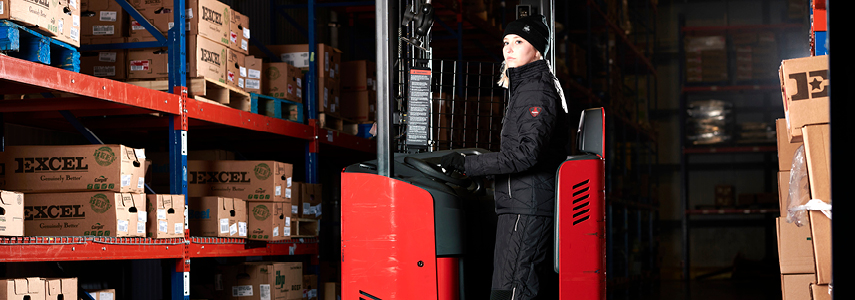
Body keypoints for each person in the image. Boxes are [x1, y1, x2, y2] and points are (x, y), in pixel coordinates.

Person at [440, 14, 571, 300]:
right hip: (521, 201)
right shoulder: (526, 87)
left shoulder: (537, 90)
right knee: (507, 287)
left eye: (519, 42)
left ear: (537, 50)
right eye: (506, 42)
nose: (509, 48)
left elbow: (527, 154)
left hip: (527, 204)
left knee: (512, 291)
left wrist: (468, 165)